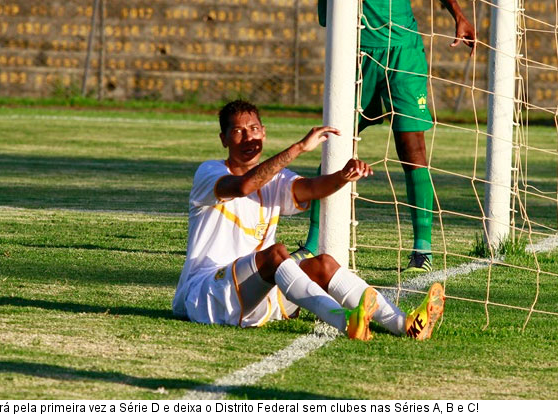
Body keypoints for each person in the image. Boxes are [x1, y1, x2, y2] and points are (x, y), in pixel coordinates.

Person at [172, 100, 445, 340]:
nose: (248, 138)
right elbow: (244, 185)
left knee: (323, 265)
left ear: (264, 133)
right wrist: (300, 148)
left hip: (261, 295)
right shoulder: (208, 172)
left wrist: (344, 176)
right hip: (206, 294)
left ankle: (405, 324)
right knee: (276, 255)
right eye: (238, 131)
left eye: (254, 129)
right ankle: (344, 320)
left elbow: (312, 189)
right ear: (224, 139)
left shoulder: (275, 179)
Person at [294, 0, 476, 273]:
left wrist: (458, 15)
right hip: (356, 52)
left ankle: (422, 251)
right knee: (335, 144)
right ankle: (313, 244)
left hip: (403, 51)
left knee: (411, 149)